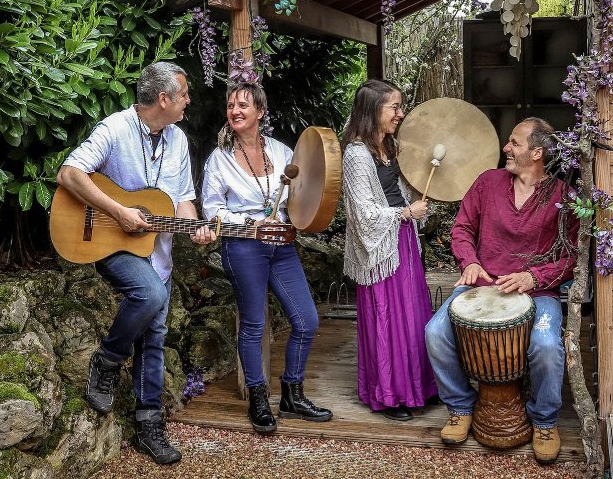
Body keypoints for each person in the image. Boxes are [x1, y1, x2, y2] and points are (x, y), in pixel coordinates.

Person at [57, 62, 216, 465]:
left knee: (154, 336)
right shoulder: (114, 129)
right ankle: (108, 359)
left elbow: (181, 198)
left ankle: (149, 425)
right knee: (149, 295)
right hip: (107, 243)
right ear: (163, 99)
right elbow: (70, 173)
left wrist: (195, 226)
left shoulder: (178, 139)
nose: (188, 101)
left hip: (156, 253)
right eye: (183, 94)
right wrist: (120, 211)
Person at [424, 117, 577, 464]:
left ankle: (545, 421)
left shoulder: (563, 197)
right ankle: (460, 407)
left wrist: (535, 277)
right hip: (481, 286)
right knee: (435, 333)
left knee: (547, 346)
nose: (506, 148)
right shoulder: (487, 182)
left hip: (538, 294)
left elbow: (571, 257)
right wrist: (470, 261)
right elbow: (462, 228)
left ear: (537, 152)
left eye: (514, 143)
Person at [201, 82, 332, 434]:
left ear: (260, 112)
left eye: (243, 104)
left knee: (306, 320)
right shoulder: (219, 158)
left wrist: (301, 216)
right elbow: (212, 209)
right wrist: (249, 223)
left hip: (282, 247)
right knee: (254, 324)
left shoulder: (282, 150)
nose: (235, 110)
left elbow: (302, 193)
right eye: (230, 105)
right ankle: (259, 398)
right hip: (243, 247)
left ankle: (293, 394)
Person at [341, 79, 438, 421]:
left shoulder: (388, 148)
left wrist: (414, 204)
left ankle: (419, 388)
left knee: (412, 317)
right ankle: (390, 395)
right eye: (394, 107)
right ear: (372, 111)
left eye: (400, 106)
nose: (401, 114)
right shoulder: (356, 154)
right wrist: (405, 213)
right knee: (388, 319)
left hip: (404, 242)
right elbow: (362, 212)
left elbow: (396, 192)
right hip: (380, 250)